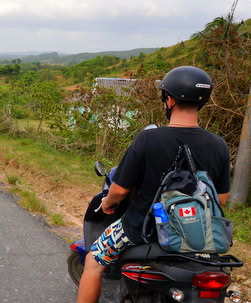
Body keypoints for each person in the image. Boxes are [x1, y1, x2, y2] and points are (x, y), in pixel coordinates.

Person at [76, 66, 231, 303]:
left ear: (168, 99)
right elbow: (221, 199)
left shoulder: (148, 138)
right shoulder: (218, 144)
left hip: (141, 229)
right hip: (196, 235)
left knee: (94, 260)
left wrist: (107, 203)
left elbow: (119, 190)